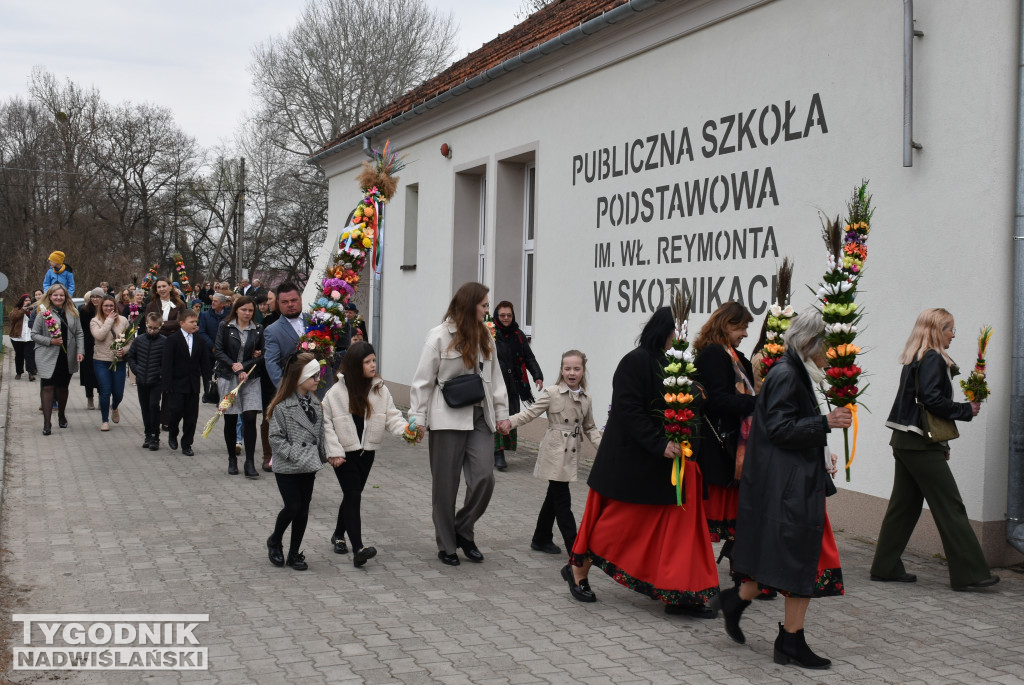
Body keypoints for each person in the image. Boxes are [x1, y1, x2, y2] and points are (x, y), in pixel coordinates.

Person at [566, 308, 718, 617]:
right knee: (619, 524)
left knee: (667, 530)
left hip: (667, 464)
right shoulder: (634, 362)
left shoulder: (673, 364)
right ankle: (577, 568)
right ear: (664, 332)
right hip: (633, 462)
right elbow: (628, 410)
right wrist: (659, 443)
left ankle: (678, 593)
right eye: (677, 333)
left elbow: (682, 402)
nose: (681, 339)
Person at [723, 308, 852, 670]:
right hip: (788, 488)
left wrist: (821, 447)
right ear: (811, 343)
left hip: (795, 483)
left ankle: (740, 603)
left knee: (790, 561)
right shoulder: (786, 373)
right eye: (829, 346)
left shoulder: (795, 371)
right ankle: (789, 640)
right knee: (798, 563)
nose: (831, 354)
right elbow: (779, 429)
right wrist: (824, 422)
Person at [870, 308, 1000, 591]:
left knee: (904, 506)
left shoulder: (917, 356)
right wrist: (965, 409)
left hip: (906, 441)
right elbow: (930, 399)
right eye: (951, 329)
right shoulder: (932, 358)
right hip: (919, 443)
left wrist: (943, 441)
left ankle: (885, 566)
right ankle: (970, 573)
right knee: (950, 504)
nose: (954, 334)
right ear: (937, 330)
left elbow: (921, 403)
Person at [409, 282, 510, 566]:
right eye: (484, 306)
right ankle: (447, 544)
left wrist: (502, 414)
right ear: (469, 305)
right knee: (445, 485)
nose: (488, 311)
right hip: (446, 417)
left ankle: (463, 528)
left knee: (484, 478)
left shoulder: (486, 338)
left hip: (480, 416)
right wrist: (417, 419)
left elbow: (496, 380)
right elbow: (422, 380)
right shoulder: (439, 336)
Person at [323, 341, 413, 567]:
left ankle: (338, 535)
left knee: (351, 495)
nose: (373, 365)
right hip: (344, 454)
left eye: (374, 360)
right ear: (355, 365)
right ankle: (359, 549)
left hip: (367, 453)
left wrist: (406, 431)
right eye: (367, 362)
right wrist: (333, 452)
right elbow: (325, 424)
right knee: (353, 496)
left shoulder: (380, 389)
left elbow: (392, 416)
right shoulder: (336, 392)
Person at [507, 350, 600, 556]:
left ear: (583, 371)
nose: (572, 373)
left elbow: (591, 427)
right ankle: (576, 550)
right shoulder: (552, 393)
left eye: (576, 368)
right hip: (555, 452)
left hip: (570, 453)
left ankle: (541, 538)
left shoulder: (586, 398)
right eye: (567, 368)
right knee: (562, 501)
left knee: (553, 497)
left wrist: (604, 448)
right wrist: (509, 422)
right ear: (561, 370)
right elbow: (530, 413)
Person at [693, 301, 755, 562]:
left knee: (740, 520)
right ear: (726, 325)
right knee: (711, 522)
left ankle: (742, 571)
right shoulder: (714, 355)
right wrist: (760, 403)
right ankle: (696, 577)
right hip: (719, 450)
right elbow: (716, 400)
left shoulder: (732, 355)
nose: (745, 334)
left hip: (733, 451)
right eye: (741, 327)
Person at [266, 353, 327, 571]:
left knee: (303, 510)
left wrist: (323, 455)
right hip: (288, 466)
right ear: (299, 377)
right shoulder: (282, 406)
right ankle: (274, 540)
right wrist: (293, 453)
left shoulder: (316, 405)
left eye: (318, 375)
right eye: (313, 375)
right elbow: (275, 437)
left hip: (308, 465)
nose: (318, 379)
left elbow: (320, 434)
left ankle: (294, 553)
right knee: (292, 506)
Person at [214, 296, 265, 478]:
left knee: (250, 417)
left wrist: (245, 365)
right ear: (236, 310)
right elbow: (218, 351)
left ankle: (249, 461)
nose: (247, 313)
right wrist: (235, 367)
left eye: (251, 311)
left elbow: (262, 354)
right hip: (229, 376)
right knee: (231, 418)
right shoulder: (225, 327)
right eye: (244, 310)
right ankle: (231, 459)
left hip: (250, 378)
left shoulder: (258, 329)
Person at [492, 301, 543, 471]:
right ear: (496, 316)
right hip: (495, 385)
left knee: (509, 416)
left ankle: (500, 451)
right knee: (495, 416)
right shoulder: (490, 332)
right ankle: (496, 452)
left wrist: (537, 376)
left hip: (514, 384)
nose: (506, 318)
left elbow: (529, 357)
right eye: (502, 315)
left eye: (509, 315)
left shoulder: (519, 334)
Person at [31, 284, 85, 435]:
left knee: (62, 387)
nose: (58, 298)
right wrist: (50, 341)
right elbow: (34, 334)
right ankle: (47, 423)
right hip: (47, 355)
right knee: (47, 386)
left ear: (66, 297)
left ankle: (61, 414)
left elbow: (79, 333)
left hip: (67, 355)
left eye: (61, 295)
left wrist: (80, 351)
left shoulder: (73, 312)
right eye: (55, 295)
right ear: (49, 296)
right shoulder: (42, 313)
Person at [262, 283, 305, 472]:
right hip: (288, 386)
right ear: (278, 304)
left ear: (301, 300)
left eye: (294, 300)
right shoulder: (272, 330)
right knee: (275, 422)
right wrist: (283, 388)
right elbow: (271, 362)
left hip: (316, 385)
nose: (290, 305)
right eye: (285, 302)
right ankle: (270, 456)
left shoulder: (317, 321)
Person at [161, 309, 211, 456]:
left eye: (196, 321)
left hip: (193, 384)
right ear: (181, 323)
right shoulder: (173, 339)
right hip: (176, 384)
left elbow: (205, 363)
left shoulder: (200, 340)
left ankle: (187, 443)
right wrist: (166, 385)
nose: (195, 324)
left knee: (191, 416)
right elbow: (167, 363)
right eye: (191, 322)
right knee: (175, 411)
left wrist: (208, 382)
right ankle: (173, 432)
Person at [90, 295, 131, 431]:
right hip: (101, 361)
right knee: (105, 391)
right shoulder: (95, 321)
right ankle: (104, 420)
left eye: (111, 306)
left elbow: (130, 341)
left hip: (118, 362)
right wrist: (108, 321)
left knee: (118, 393)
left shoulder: (123, 321)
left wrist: (124, 351)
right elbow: (100, 336)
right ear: (101, 307)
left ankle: (115, 407)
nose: (108, 308)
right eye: (106, 306)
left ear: (115, 307)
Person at [127, 313, 166, 450]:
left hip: (156, 380)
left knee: (154, 406)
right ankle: (148, 434)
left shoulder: (164, 341)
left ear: (160, 327)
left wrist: (160, 373)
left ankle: (155, 435)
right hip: (142, 379)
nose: (152, 330)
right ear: (146, 324)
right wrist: (136, 369)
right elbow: (131, 356)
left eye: (155, 328)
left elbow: (167, 362)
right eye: (150, 327)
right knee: (145, 408)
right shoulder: (139, 340)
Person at [198, 293, 230, 403]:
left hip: (225, 350)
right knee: (207, 373)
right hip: (209, 349)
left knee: (222, 373)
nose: (213, 303)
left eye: (216, 301)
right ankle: (207, 393)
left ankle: (220, 394)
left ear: (222, 304)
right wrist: (212, 346)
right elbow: (201, 332)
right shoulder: (205, 315)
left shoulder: (229, 315)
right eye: (213, 300)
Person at [78, 288, 104, 410]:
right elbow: (81, 330)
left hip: (102, 344)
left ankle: (101, 397)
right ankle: (90, 398)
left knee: (101, 373)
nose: (95, 299)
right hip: (88, 345)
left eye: (98, 296)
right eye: (93, 296)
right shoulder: (84, 310)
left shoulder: (105, 310)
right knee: (88, 372)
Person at [9, 294, 38, 380]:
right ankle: (19, 372)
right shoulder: (17, 309)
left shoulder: (34, 310)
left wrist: (31, 311)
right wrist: (23, 310)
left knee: (29, 355)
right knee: (19, 355)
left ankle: (31, 373)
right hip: (18, 337)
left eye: (29, 300)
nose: (28, 302)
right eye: (26, 300)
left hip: (30, 337)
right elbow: (13, 318)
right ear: (22, 302)